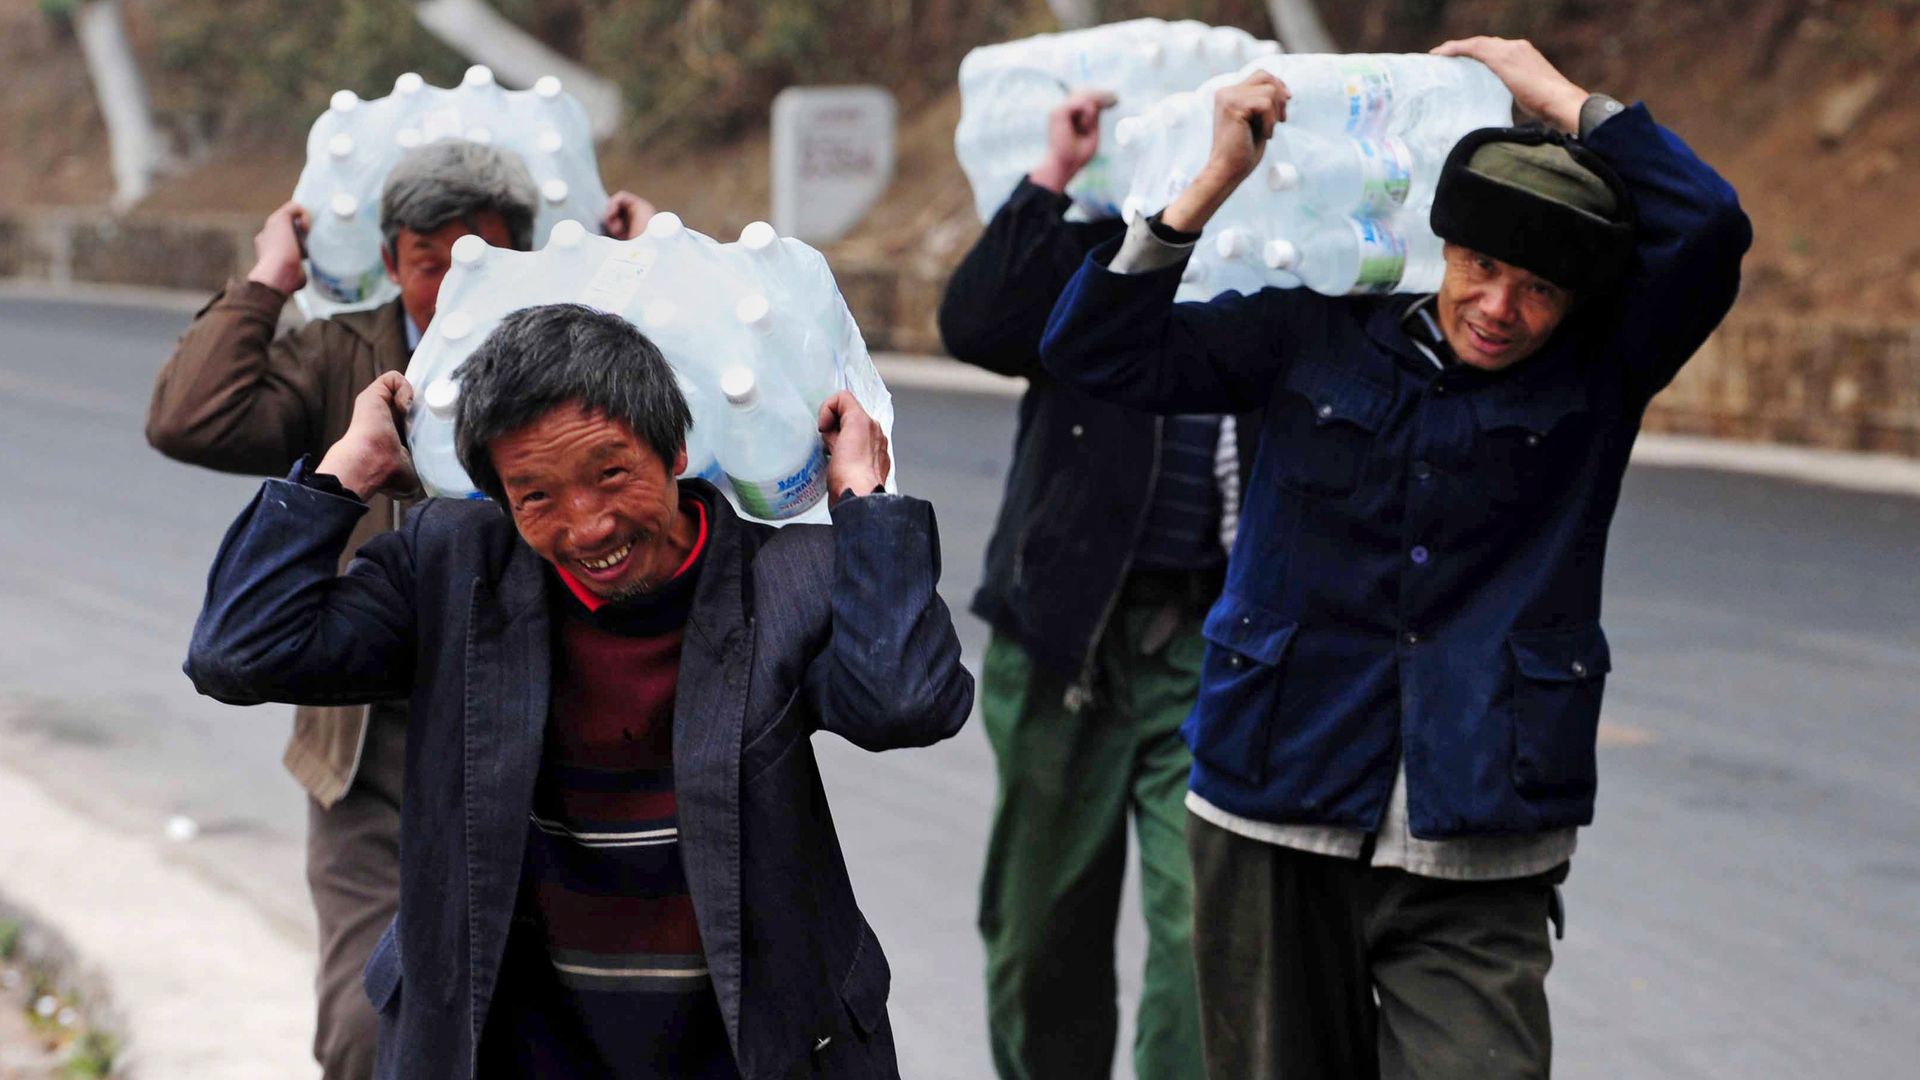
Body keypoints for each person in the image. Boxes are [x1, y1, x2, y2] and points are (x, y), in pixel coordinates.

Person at [1039, 36, 1751, 1080]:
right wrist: (1213, 182)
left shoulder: (1604, 373)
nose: (1501, 308)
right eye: (1483, 267)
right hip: (1275, 801)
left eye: (1541, 289)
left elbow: (1710, 224)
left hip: (1480, 830)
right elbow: (1091, 350)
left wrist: (1557, 96)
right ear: (1441, 244)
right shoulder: (1314, 328)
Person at [181, 303, 973, 1077]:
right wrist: (346, 470)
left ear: (678, 450)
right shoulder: (453, 571)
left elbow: (905, 701)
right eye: (536, 497)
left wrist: (867, 503)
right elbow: (239, 652)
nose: (588, 526)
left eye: (611, 473)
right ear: (497, 500)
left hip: (740, 1045)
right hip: (511, 1042)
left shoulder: (786, 581)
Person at [145, 140, 656, 1079]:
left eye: (482, 257)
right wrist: (271, 279)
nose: (453, 282)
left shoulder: (573, 347)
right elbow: (192, 418)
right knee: (362, 1029)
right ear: (391, 262)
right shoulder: (347, 353)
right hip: (370, 752)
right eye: (430, 263)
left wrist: (648, 269)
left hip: (540, 735)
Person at [939, 89, 1255, 1080]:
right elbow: (977, 323)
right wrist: (1058, 175)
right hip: (1062, 633)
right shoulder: (1103, 250)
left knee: (1203, 939)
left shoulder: (1294, 269)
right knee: (1040, 941)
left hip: (1210, 642)